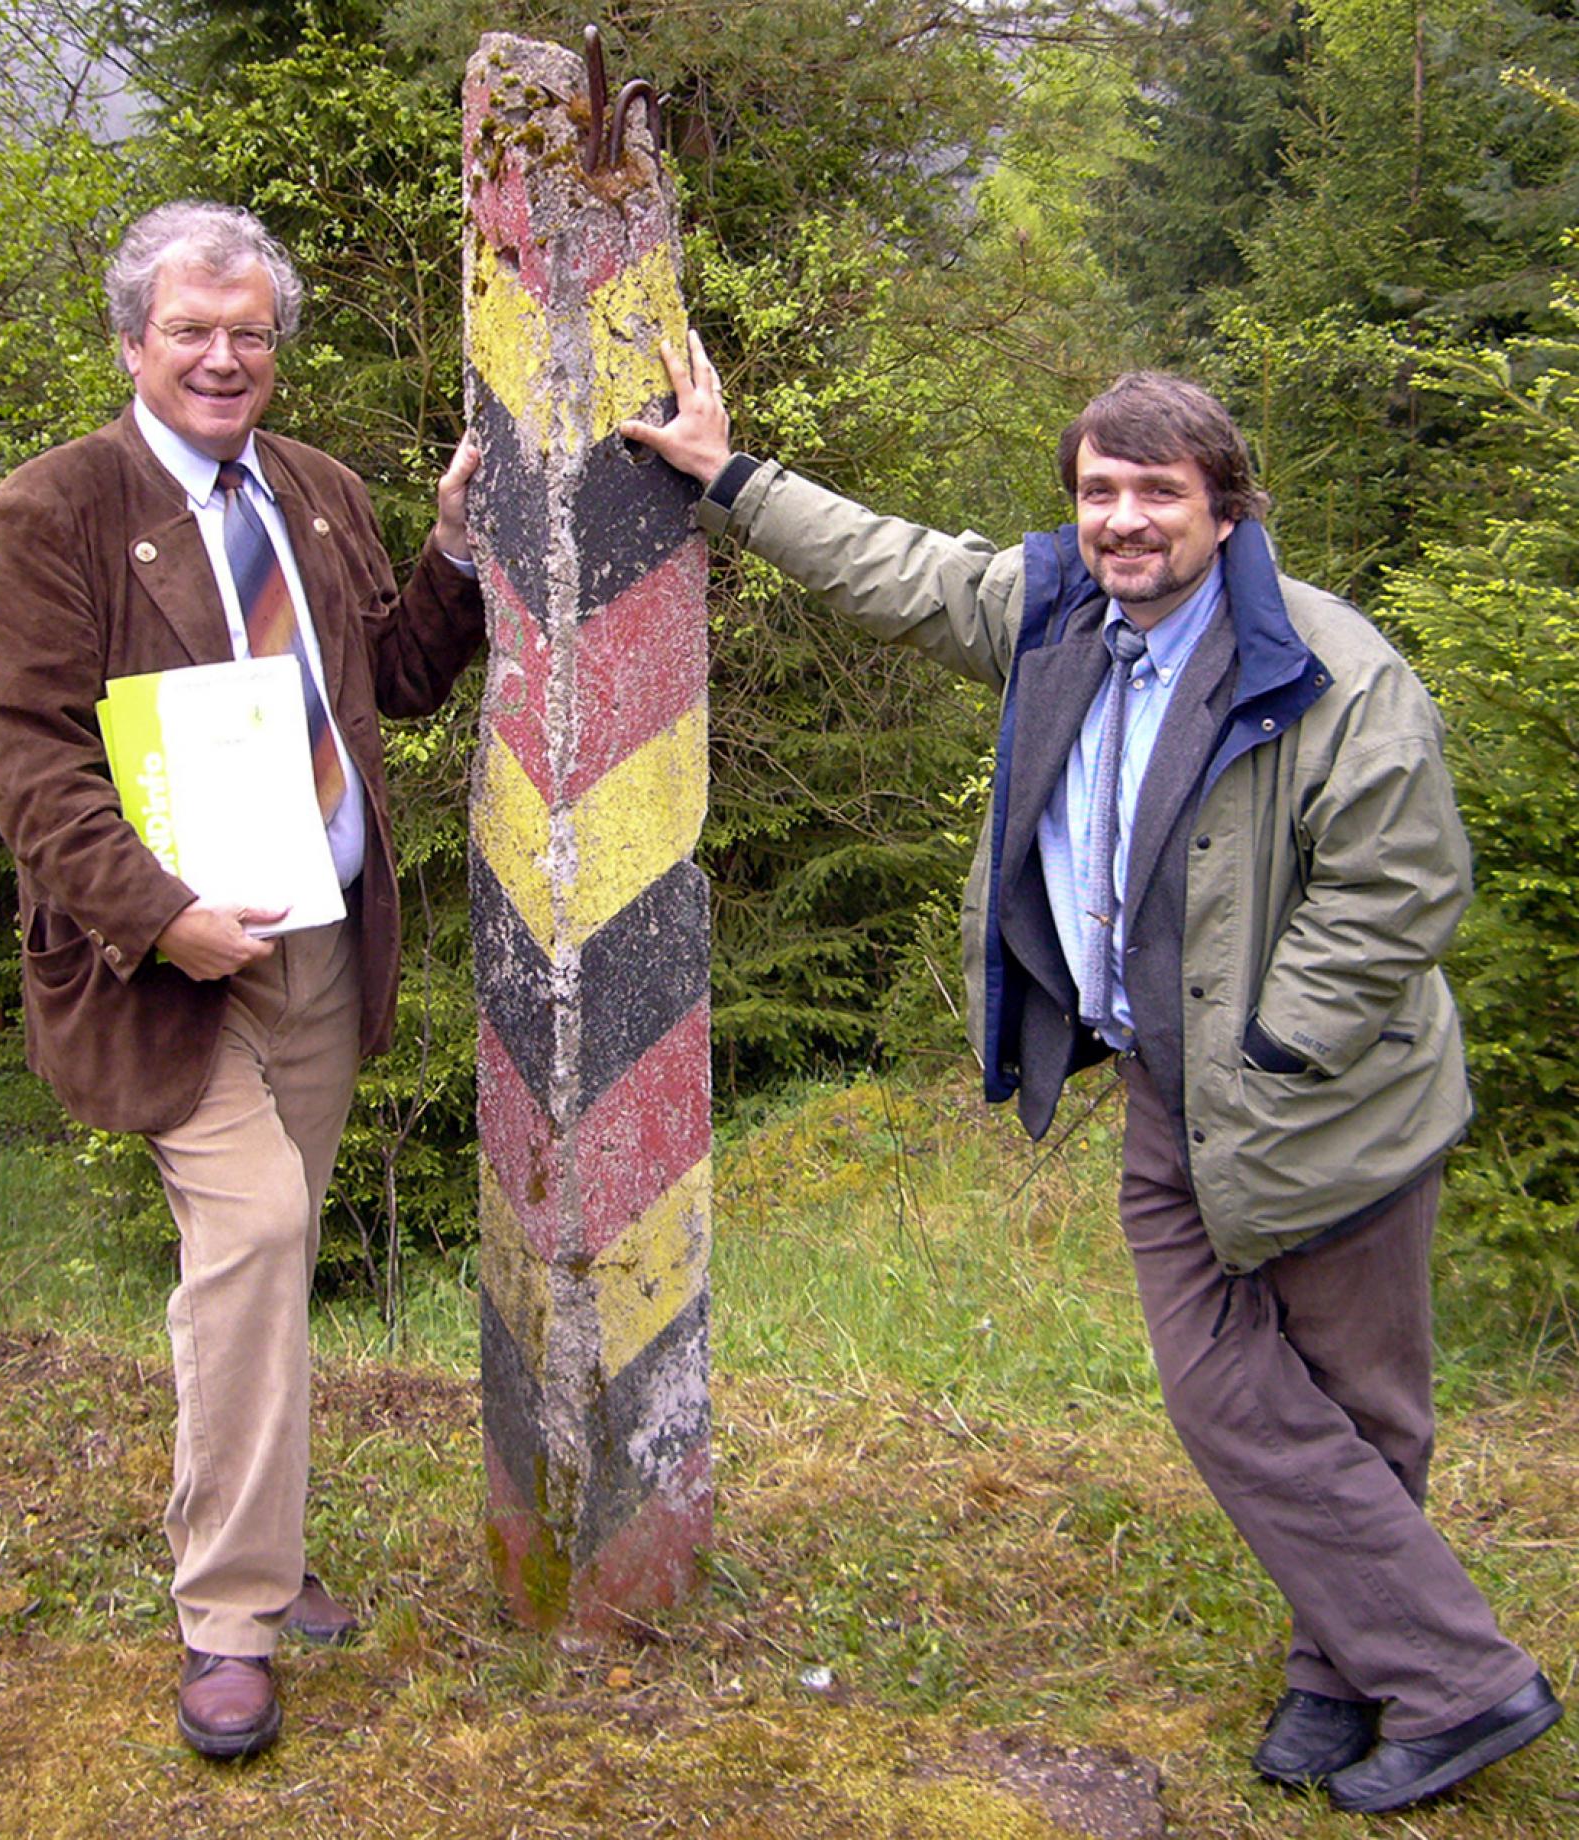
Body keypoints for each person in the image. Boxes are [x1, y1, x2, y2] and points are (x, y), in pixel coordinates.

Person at [619, 339, 1558, 1814]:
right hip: (1169, 1092)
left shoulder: (1326, 670)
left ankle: (1394, 1678)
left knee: (1357, 1405)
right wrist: (729, 479)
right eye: (1097, 490)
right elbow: (897, 568)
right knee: (1226, 1393)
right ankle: (1427, 1669)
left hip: (1329, 1105)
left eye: (1156, 493)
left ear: (1228, 511)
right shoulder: (1057, 611)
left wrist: (1273, 1047)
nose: (1122, 518)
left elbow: (1399, 887)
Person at [0, 200, 485, 1760]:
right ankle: (231, 1620)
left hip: (319, 947)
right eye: (190, 331)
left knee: (259, 1261)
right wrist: (166, 912)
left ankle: (250, 1536)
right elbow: (31, 763)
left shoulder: (318, 491)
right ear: (132, 342)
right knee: (254, 1234)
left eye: (249, 333)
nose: (222, 358)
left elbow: (391, 677)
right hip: (163, 967)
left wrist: (453, 553)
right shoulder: (47, 512)